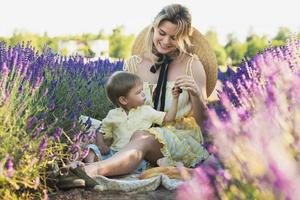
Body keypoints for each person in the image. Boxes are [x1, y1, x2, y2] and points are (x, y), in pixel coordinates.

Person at [68, 3, 217, 177]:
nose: (166, 41)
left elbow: (205, 124)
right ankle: (75, 165)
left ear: (183, 38)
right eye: (162, 33)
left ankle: (91, 171)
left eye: (174, 37)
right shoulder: (134, 64)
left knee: (143, 136)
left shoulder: (193, 65)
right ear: (154, 28)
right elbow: (123, 110)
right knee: (84, 124)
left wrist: (197, 96)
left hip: (179, 139)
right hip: (135, 133)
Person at [82, 71, 182, 172]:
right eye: (138, 92)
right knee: (90, 148)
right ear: (123, 100)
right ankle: (91, 164)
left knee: (141, 163)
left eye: (142, 90)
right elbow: (101, 130)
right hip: (114, 153)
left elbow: (169, 118)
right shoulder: (113, 114)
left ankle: (97, 169)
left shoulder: (146, 111)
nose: (143, 94)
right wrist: (101, 145)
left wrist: (175, 99)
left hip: (135, 155)